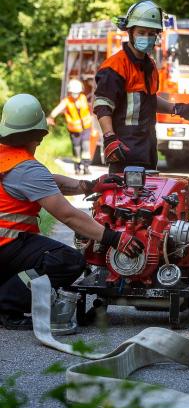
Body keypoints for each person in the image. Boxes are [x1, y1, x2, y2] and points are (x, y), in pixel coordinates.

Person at [0, 94, 144, 330]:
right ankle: (7, 304)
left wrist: (89, 185)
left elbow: (48, 182)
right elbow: (68, 216)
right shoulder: (26, 169)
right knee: (67, 261)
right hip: (6, 246)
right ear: (39, 134)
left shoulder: (7, 158)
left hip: (6, 247)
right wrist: (115, 238)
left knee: (33, 252)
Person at [93, 0, 189, 173]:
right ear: (130, 32)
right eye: (142, 32)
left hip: (147, 151)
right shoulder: (115, 66)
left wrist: (178, 109)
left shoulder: (150, 65)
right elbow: (103, 106)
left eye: (151, 33)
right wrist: (109, 137)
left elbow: (148, 100)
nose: (146, 37)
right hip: (123, 152)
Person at [47, 79, 93, 175]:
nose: (75, 95)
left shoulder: (83, 98)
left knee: (85, 148)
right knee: (76, 149)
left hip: (86, 128)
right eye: (73, 92)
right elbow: (58, 109)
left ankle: (86, 167)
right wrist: (51, 117)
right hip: (75, 130)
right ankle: (77, 168)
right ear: (70, 92)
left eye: (77, 92)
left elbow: (89, 109)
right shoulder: (67, 101)